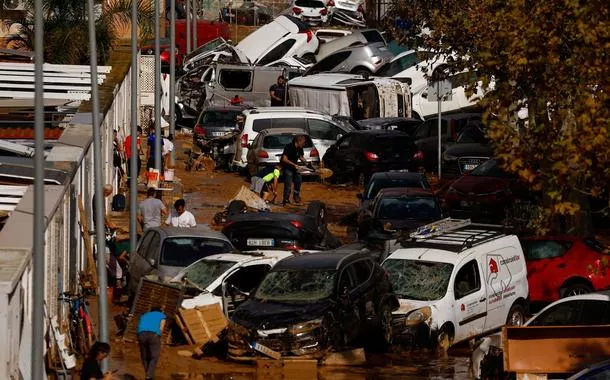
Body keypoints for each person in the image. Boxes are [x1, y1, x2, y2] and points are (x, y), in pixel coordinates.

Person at [137, 306, 166, 380]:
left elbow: (139, 326)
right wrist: (158, 336)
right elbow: (161, 328)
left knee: (144, 356)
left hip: (141, 334)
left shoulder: (144, 315)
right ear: (159, 311)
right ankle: (149, 376)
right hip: (153, 335)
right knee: (154, 356)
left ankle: (148, 373)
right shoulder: (161, 315)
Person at [280, 135, 310, 206]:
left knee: (298, 180)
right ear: (299, 141)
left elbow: (300, 156)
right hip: (287, 167)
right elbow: (284, 159)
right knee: (288, 184)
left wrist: (306, 163)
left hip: (295, 168)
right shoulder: (289, 147)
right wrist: (294, 165)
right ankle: (286, 200)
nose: (304, 143)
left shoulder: (300, 148)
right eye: (303, 142)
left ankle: (296, 196)